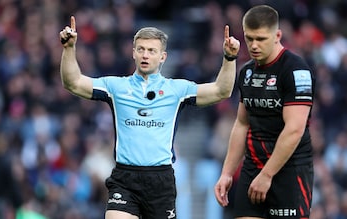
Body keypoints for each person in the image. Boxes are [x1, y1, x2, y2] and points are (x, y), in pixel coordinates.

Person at [59, 16, 240, 219]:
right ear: (133, 53)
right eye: (141, 49)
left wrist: (229, 58)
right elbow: (73, 83)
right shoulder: (116, 87)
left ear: (163, 57)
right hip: (125, 178)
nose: (145, 55)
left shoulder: (177, 90)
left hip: (160, 180)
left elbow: (221, 91)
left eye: (152, 51)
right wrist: (69, 48)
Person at [214, 5, 315, 219]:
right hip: (253, 168)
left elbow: (295, 129)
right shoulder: (247, 71)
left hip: (289, 170)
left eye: (261, 39)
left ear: (278, 35)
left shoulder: (296, 70)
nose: (254, 45)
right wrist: (227, 173)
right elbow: (242, 124)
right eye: (249, 38)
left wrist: (267, 175)